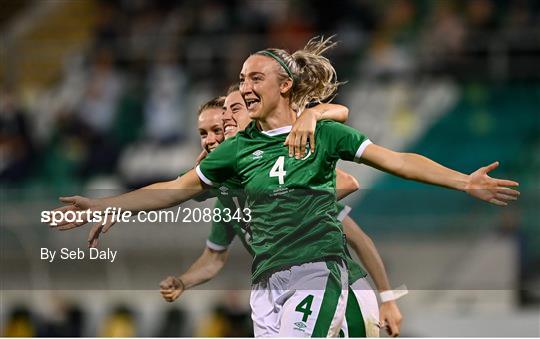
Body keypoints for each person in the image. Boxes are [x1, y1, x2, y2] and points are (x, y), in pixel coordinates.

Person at [51, 37, 519, 337]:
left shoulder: (322, 134)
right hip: (266, 286)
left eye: (255, 78)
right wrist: (104, 205)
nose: (245, 88)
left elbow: (395, 160)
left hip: (318, 273)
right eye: (241, 80)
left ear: (286, 85)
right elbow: (173, 189)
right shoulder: (236, 153)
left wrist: (463, 181)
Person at [159, 87, 402, 337]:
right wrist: (182, 282)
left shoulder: (283, 179)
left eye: (218, 130)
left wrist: (388, 297)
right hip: (290, 293)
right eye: (203, 133)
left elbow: (350, 190)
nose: (210, 140)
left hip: (343, 293)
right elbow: (213, 258)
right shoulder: (228, 201)